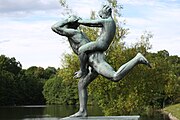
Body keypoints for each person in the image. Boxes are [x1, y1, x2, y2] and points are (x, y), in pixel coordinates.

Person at [51, 15, 151, 117]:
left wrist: (83, 70)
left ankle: (137, 59)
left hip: (97, 62)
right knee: (81, 84)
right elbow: (84, 55)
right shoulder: (75, 35)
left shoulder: (74, 33)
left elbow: (55, 27)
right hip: (92, 64)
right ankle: (82, 111)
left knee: (115, 76)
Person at [75, 5, 116, 78]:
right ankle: (88, 67)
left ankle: (83, 70)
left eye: (101, 15)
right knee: (87, 51)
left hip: (101, 44)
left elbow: (91, 23)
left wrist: (79, 21)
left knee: (81, 50)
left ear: (106, 13)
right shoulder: (111, 22)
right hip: (102, 44)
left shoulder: (107, 21)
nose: (101, 17)